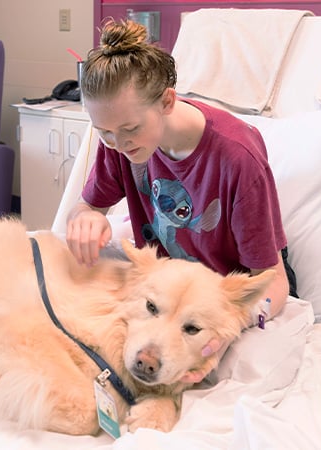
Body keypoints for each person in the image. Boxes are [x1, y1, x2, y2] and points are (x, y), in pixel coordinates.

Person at [66, 20, 297, 383]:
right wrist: (85, 216)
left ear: (167, 101)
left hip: (224, 293)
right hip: (165, 289)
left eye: (129, 130)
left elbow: (272, 281)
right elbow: (88, 206)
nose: (118, 143)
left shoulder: (237, 159)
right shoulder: (119, 140)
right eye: (104, 132)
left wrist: (230, 327)